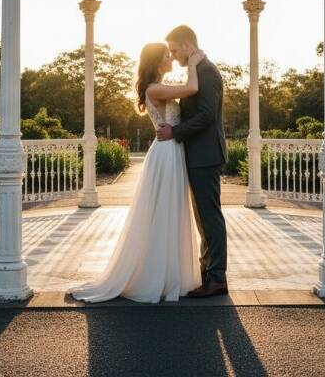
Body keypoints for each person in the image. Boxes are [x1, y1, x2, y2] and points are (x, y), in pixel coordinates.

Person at [70, 42, 204, 303]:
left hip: (170, 149)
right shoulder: (155, 88)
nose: (170, 59)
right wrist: (195, 64)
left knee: (169, 210)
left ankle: (168, 274)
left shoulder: (157, 87)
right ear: (156, 63)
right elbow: (192, 88)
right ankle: (156, 276)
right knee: (164, 210)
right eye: (167, 56)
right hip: (166, 152)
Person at [156, 25, 228, 298]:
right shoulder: (197, 70)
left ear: (188, 45)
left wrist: (175, 132)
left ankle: (217, 277)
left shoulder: (207, 72)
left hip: (206, 154)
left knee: (210, 217)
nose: (173, 56)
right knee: (203, 217)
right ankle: (208, 272)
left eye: (175, 50)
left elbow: (207, 115)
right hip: (198, 154)